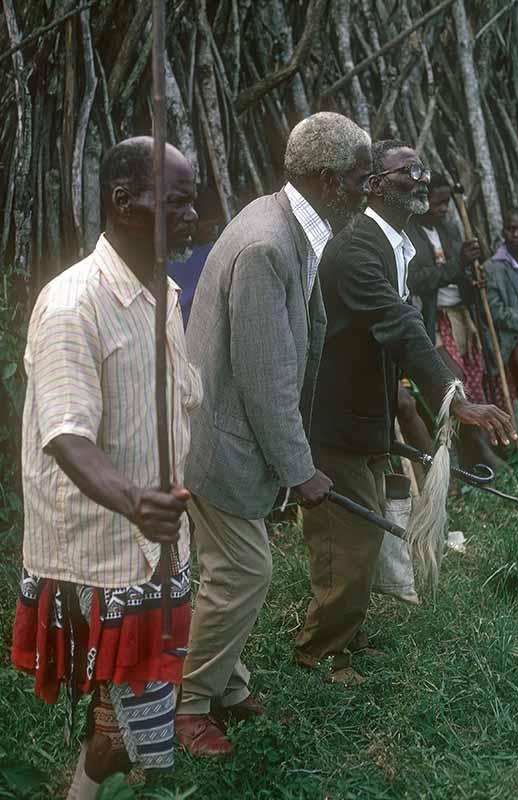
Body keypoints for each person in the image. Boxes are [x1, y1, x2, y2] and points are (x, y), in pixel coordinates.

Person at [174, 112, 372, 757]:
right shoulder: (267, 244)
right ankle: (188, 704)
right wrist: (299, 470)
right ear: (328, 180)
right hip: (223, 441)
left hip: (226, 434)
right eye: (360, 179)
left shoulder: (284, 223)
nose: (368, 191)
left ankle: (228, 688)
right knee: (241, 574)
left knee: (231, 569)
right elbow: (265, 377)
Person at [10, 137, 202, 798]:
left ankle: (108, 773)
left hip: (152, 540)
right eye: (174, 202)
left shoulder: (162, 293)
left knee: (124, 708)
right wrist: (133, 501)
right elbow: (67, 437)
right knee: (119, 721)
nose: (190, 217)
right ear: (124, 203)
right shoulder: (73, 306)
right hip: (104, 552)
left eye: (191, 202)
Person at [294, 139, 517, 686]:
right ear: (373, 184)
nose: (420, 179)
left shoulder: (399, 245)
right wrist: (454, 398)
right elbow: (398, 324)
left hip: (368, 413)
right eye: (405, 171)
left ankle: (346, 629)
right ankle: (321, 653)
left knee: (369, 523)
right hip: (335, 418)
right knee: (348, 536)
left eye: (423, 168)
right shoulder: (355, 251)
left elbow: (402, 330)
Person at [406, 172, 505, 469]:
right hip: (432, 321)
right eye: (438, 203)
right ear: (422, 201)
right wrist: (457, 264)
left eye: (447, 202)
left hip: (461, 318)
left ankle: (481, 450)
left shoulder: (449, 229)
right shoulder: (409, 234)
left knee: (473, 383)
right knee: (453, 385)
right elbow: (418, 281)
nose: (444, 209)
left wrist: (472, 277)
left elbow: (458, 275)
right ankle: (470, 453)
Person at [485, 207, 518, 417]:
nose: (516, 234)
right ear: (503, 231)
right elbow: (497, 312)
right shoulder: (492, 268)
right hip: (516, 335)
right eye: (511, 229)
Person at [167, 188, 224, 328]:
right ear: (194, 221)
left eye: (216, 225)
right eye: (209, 226)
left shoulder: (216, 253)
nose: (214, 231)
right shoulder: (170, 256)